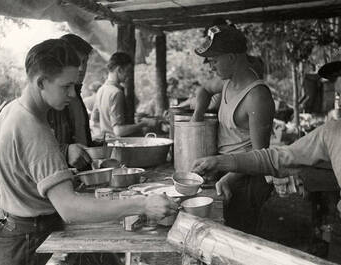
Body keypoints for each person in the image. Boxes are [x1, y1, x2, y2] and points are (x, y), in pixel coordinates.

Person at [0, 39, 178, 265]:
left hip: (10, 231)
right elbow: (69, 208)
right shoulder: (36, 131)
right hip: (27, 242)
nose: (72, 93)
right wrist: (142, 204)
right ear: (41, 82)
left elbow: (22, 176)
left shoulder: (10, 111)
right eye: (65, 86)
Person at [191, 61, 341, 263]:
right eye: (339, 92)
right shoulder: (332, 131)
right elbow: (276, 158)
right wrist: (221, 162)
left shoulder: (256, 95)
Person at [193, 25, 275, 235]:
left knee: (240, 239)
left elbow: (261, 157)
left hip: (246, 180)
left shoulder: (257, 96)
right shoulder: (227, 82)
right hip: (223, 169)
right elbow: (203, 90)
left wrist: (229, 177)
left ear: (231, 57)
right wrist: (196, 119)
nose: (211, 66)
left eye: (214, 60)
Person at [47, 34, 95, 170]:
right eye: (76, 62)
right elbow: (33, 145)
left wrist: (96, 147)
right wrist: (66, 151)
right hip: (59, 177)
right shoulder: (50, 98)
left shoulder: (77, 95)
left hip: (82, 175)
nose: (81, 68)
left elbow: (80, 137)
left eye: (85, 62)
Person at [91, 52, 156, 137]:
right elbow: (119, 131)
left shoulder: (101, 90)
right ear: (119, 70)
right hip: (118, 144)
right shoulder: (116, 93)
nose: (129, 75)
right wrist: (143, 124)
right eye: (128, 71)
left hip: (106, 143)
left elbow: (94, 120)